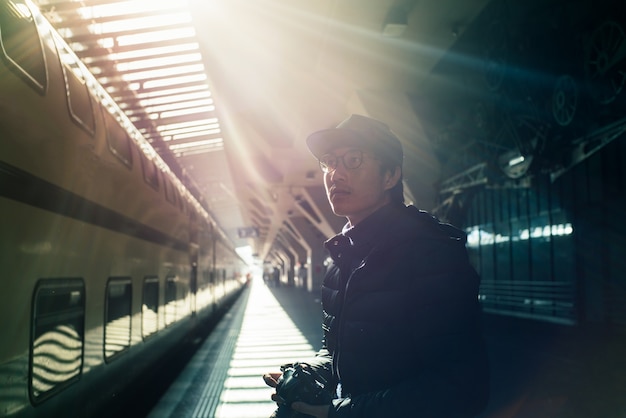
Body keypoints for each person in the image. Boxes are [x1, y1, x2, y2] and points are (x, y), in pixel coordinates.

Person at [263, 114, 490, 417]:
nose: (336, 174)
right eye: (329, 162)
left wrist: (339, 413)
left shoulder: (430, 255)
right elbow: (338, 350)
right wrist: (308, 373)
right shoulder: (341, 258)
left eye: (353, 160)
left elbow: (459, 387)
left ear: (390, 176)